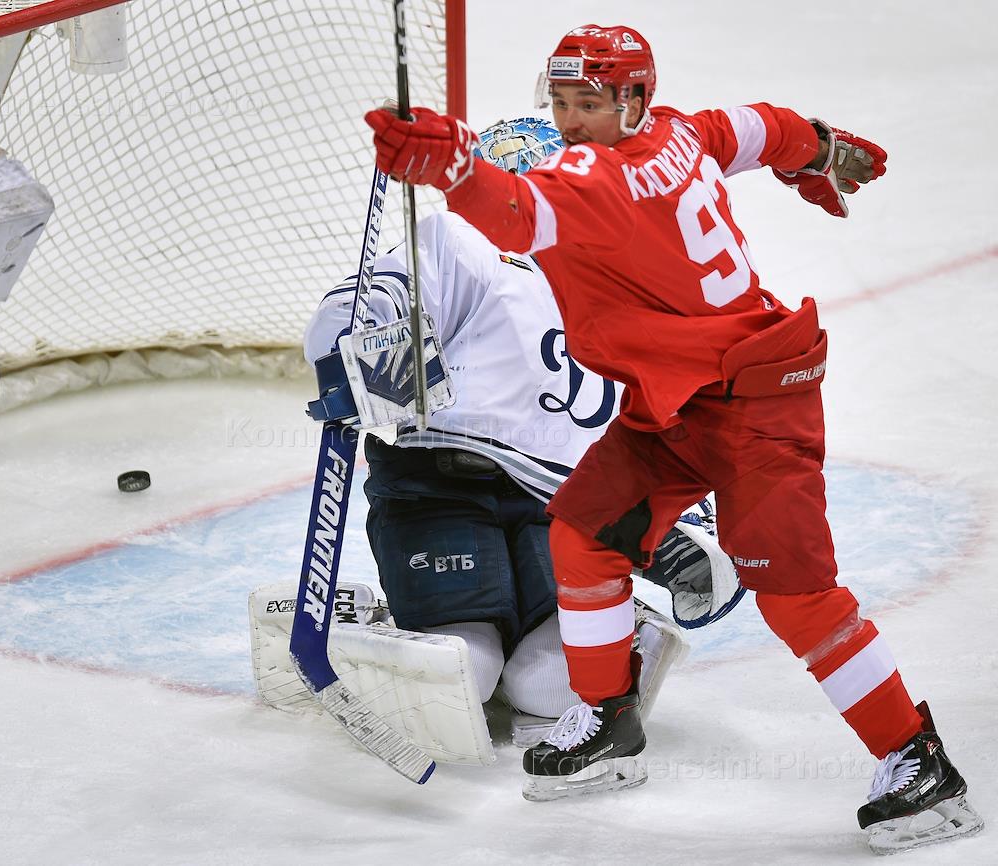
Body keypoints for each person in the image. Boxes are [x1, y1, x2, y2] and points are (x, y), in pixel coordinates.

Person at [364, 23, 982, 853]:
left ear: (632, 100)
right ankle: (608, 721)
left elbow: (515, 215)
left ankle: (918, 760)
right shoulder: (680, 131)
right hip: (678, 403)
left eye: (589, 103)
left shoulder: (598, 181)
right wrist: (819, 148)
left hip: (757, 408)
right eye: (561, 101)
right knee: (584, 532)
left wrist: (451, 168)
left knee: (799, 600)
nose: (571, 120)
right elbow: (760, 127)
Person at [303, 117, 743, 742]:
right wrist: (358, 336)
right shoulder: (462, 241)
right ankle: (369, 622)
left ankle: (622, 629)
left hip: (560, 504)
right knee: (463, 670)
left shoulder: (618, 281)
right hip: (440, 487)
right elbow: (375, 297)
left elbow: (655, 414)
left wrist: (684, 513)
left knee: (552, 686)